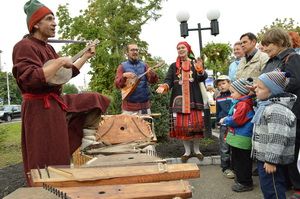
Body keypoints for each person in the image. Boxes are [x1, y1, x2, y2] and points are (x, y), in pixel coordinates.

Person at [12, 0, 110, 186]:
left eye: (54, 19)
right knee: (43, 155)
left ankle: (88, 141)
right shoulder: (24, 46)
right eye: (49, 19)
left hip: (54, 104)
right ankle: (43, 191)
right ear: (36, 24)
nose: (54, 23)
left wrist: (86, 56)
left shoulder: (49, 48)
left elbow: (66, 74)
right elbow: (30, 78)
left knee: (93, 100)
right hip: (38, 109)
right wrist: (58, 62)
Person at [260, 28, 300, 199]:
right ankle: (287, 184)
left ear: (281, 42)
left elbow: (295, 80)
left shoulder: (292, 58)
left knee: (291, 149)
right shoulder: (272, 60)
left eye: (268, 44)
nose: (265, 47)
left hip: (290, 112)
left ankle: (297, 186)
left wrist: (270, 88)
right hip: (273, 108)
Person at [156, 41, 207, 163]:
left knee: (196, 127)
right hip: (179, 101)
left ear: (188, 49)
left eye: (183, 47)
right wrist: (164, 87)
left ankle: (197, 150)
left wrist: (200, 70)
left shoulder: (195, 64)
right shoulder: (174, 66)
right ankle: (187, 152)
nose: (180, 49)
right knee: (183, 127)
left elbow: (202, 78)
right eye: (178, 48)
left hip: (194, 99)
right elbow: (168, 80)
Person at [252, 70, 297, 199]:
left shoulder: (277, 110)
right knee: (269, 187)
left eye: (260, 88)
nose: (256, 90)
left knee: (273, 189)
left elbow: (278, 137)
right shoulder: (266, 106)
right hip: (266, 158)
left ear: (272, 91)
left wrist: (271, 160)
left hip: (271, 160)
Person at [219, 78, 255, 192]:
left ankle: (245, 182)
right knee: (238, 160)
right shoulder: (241, 103)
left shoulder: (243, 104)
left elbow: (237, 120)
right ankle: (241, 179)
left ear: (242, 92)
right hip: (239, 138)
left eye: (233, 92)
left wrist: (226, 120)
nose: (231, 95)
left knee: (242, 161)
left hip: (242, 138)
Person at [114, 43, 158, 115]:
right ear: (127, 53)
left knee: (146, 126)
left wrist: (153, 74)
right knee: (129, 127)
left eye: (136, 50)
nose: (135, 52)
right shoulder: (122, 66)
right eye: (132, 50)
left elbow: (153, 81)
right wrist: (124, 76)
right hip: (128, 109)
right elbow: (117, 85)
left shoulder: (144, 65)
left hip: (144, 107)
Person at [214, 75, 234, 179]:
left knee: (234, 147)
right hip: (224, 126)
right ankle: (225, 168)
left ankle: (234, 167)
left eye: (223, 83)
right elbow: (218, 111)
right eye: (219, 85)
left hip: (234, 125)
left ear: (229, 83)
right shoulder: (218, 98)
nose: (221, 86)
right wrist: (218, 121)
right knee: (224, 147)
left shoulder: (234, 95)